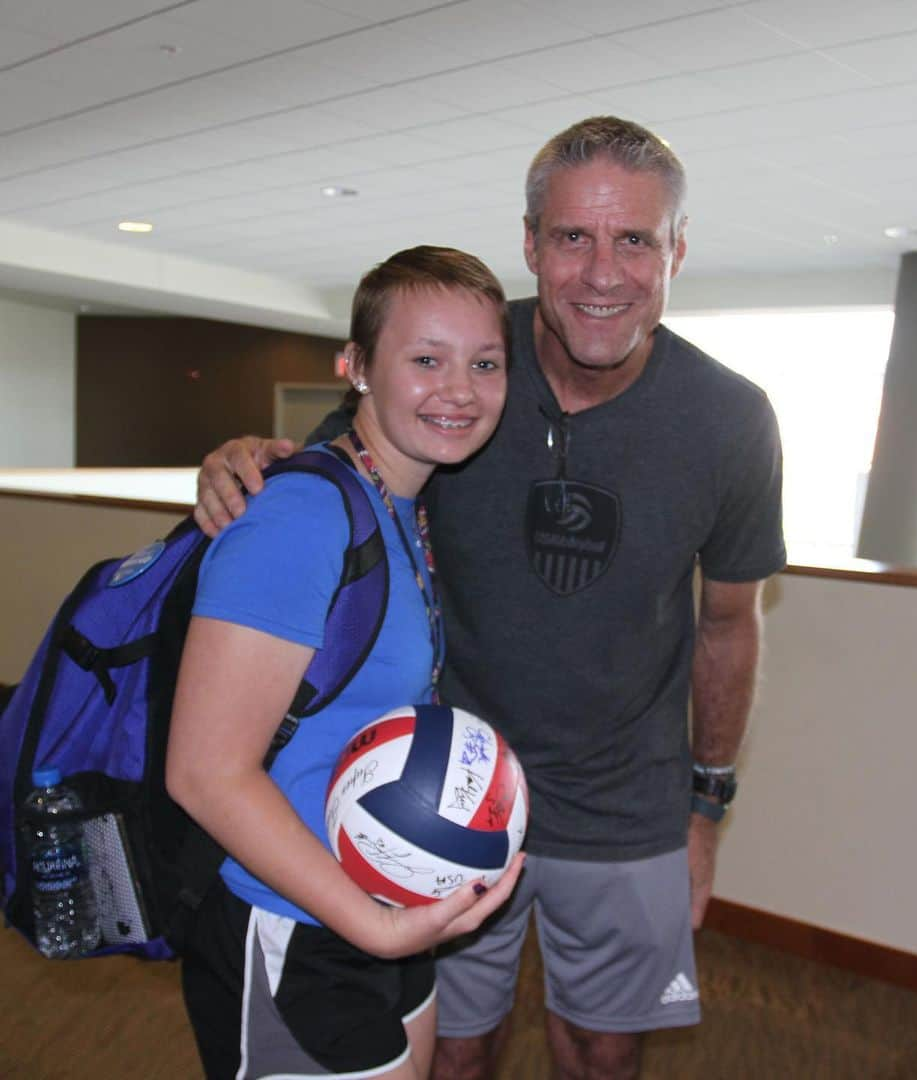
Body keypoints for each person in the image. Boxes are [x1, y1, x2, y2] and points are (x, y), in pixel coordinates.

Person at [195, 117, 786, 1080]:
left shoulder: (731, 419)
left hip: (628, 803)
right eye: (572, 237)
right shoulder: (467, 356)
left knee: (603, 1049)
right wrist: (245, 459)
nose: (603, 272)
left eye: (634, 239)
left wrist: (705, 810)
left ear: (677, 249)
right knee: (453, 1048)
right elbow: (350, 457)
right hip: (440, 789)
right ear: (530, 244)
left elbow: (728, 623)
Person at [166, 245, 523, 1080]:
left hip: (381, 899)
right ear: (356, 366)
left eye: (485, 362)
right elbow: (205, 773)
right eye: (425, 359)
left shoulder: (401, 500)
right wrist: (372, 928)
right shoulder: (299, 516)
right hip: (295, 921)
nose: (459, 389)